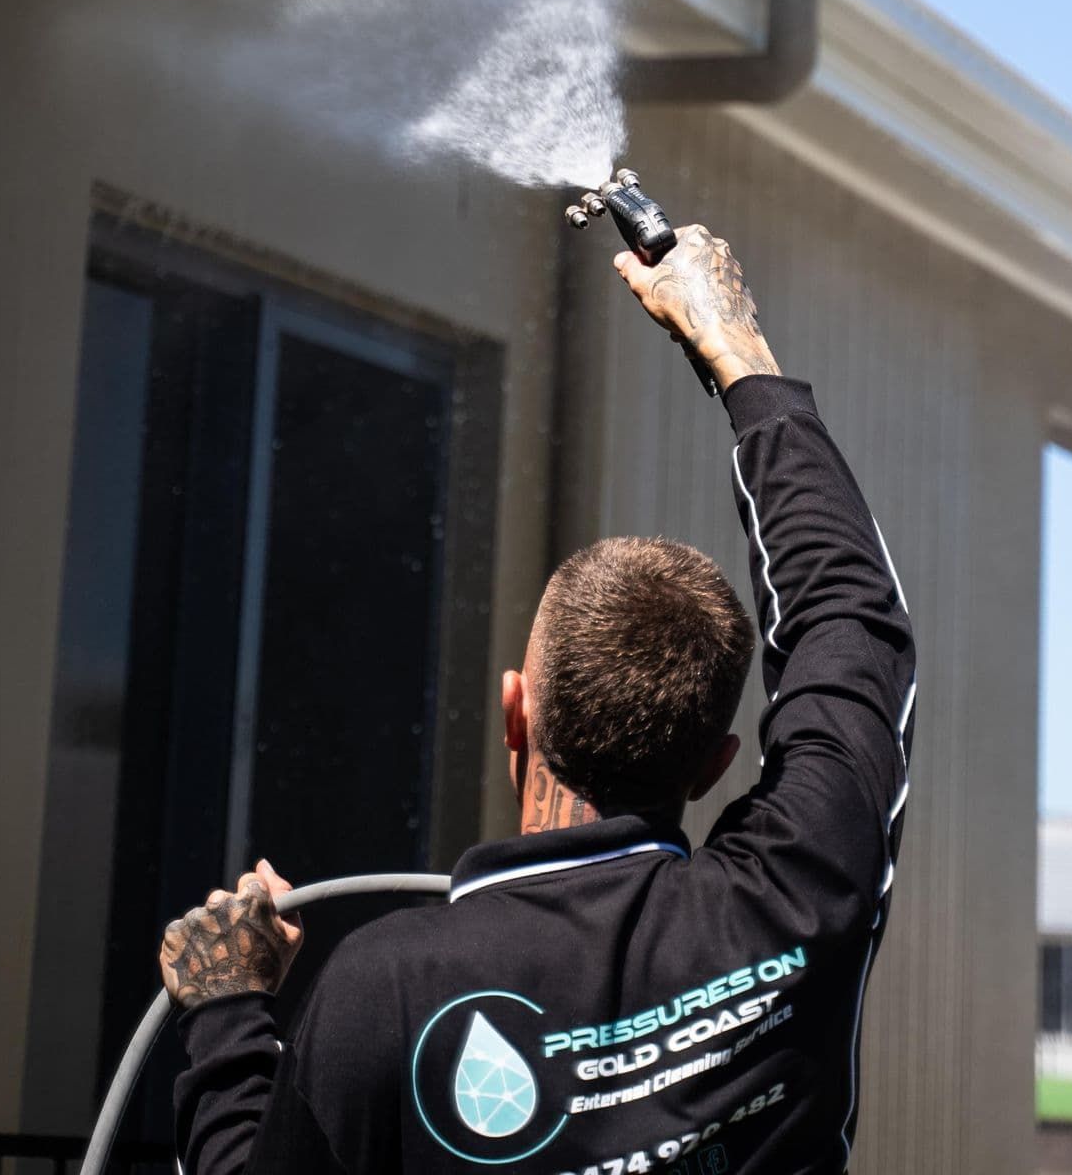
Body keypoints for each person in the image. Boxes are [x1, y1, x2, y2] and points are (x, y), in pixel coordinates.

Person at [162, 226, 916, 1175]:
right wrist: (737, 351)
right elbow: (850, 625)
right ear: (718, 763)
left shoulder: (383, 991)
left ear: (515, 713)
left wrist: (229, 1015)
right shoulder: (795, 898)